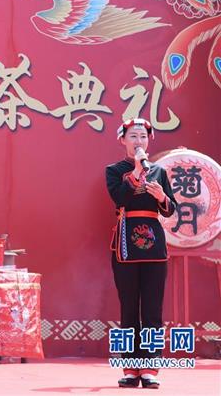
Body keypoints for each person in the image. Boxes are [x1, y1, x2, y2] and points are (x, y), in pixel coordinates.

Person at [105, 118, 177, 389]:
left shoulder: (159, 171)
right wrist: (136, 173)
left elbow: (170, 210)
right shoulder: (114, 170)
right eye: (133, 136)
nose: (138, 142)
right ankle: (130, 368)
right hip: (125, 243)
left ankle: (150, 369)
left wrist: (161, 198)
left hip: (154, 246)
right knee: (128, 308)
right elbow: (120, 198)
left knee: (152, 309)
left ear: (149, 141)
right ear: (122, 140)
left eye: (143, 137)